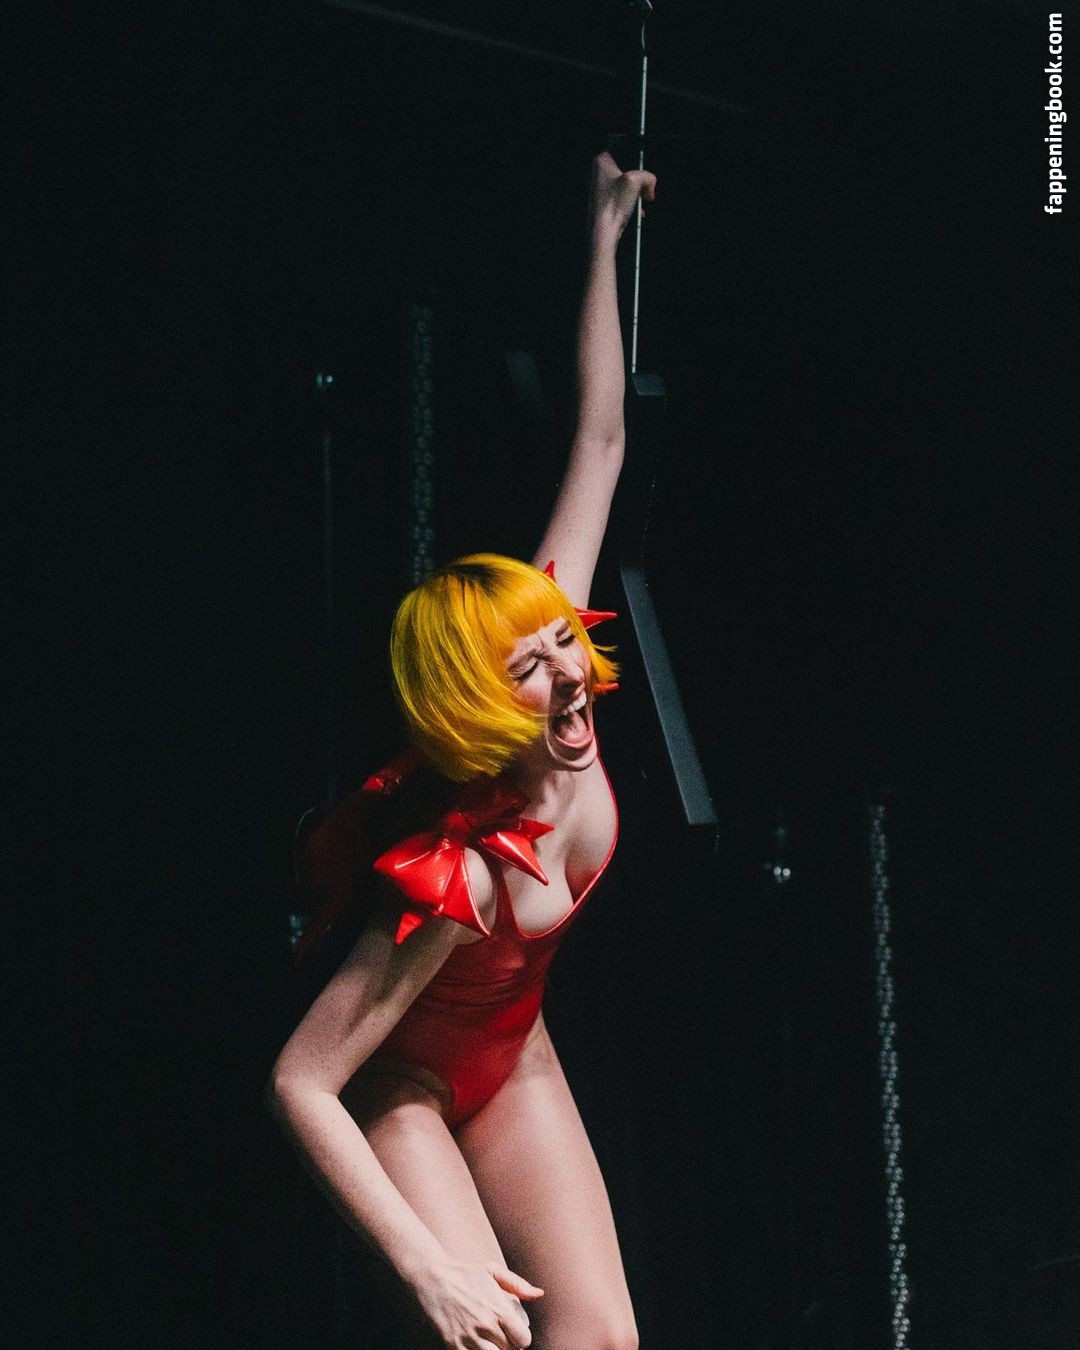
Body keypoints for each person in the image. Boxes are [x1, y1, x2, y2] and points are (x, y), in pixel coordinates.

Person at [266, 152, 656, 1350]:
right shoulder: (463, 876)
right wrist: (430, 1269)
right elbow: (301, 1080)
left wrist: (601, 243)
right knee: (495, 1341)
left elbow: (599, 441)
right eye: (531, 666)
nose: (568, 670)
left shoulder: (556, 648)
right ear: (482, 706)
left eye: (564, 641)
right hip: (400, 1087)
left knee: (603, 1343)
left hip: (513, 1058)